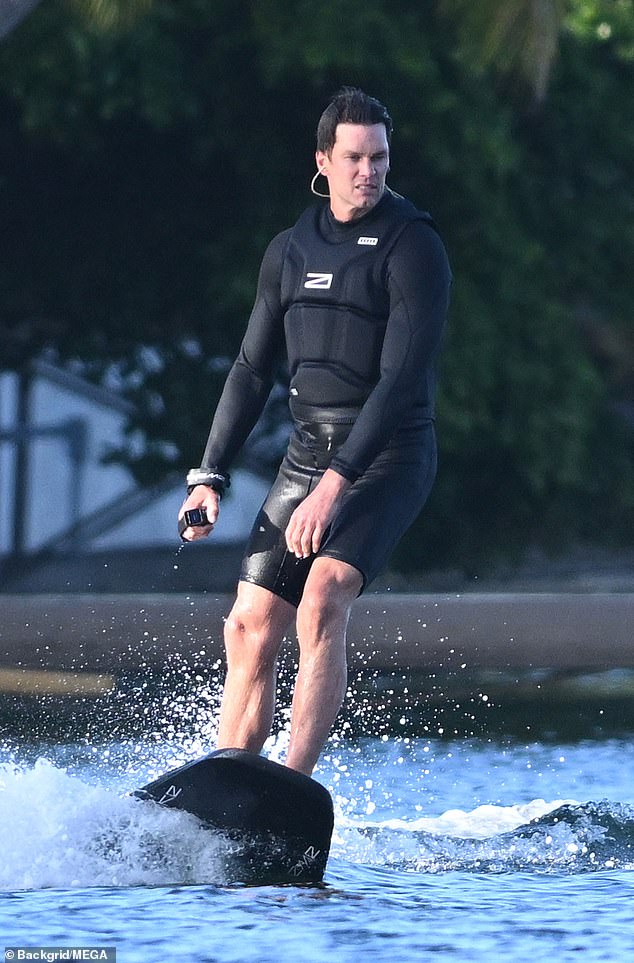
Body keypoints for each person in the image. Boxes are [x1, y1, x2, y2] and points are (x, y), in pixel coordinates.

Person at [179, 87, 451, 775]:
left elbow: (400, 383)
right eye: (355, 157)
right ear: (323, 161)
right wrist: (209, 473)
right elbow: (249, 368)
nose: (370, 171)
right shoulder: (289, 249)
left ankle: (293, 783)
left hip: (389, 454)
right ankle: (232, 777)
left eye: (381, 157)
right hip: (307, 455)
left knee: (323, 590)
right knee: (248, 624)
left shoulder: (413, 246)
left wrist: (334, 487)